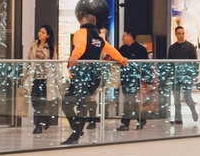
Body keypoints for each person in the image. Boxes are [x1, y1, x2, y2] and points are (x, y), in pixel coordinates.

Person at [62, 8, 128, 144]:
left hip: (81, 75)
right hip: (94, 77)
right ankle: (77, 132)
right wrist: (122, 59)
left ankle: (75, 134)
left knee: (67, 104)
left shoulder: (81, 32)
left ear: (82, 21)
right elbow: (111, 50)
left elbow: (80, 45)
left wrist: (74, 56)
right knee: (82, 105)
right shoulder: (99, 37)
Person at [24, 24, 60, 133]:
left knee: (42, 101)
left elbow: (55, 64)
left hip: (46, 78)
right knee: (34, 101)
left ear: (48, 35)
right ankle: (44, 119)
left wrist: (58, 81)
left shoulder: (51, 48)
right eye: (40, 31)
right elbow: (29, 60)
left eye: (43, 32)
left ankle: (39, 124)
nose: (40, 34)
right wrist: (24, 74)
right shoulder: (34, 44)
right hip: (34, 77)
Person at [115, 30, 152, 131]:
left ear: (130, 37)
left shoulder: (140, 49)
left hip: (135, 78)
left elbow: (146, 65)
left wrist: (148, 79)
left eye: (124, 36)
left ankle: (125, 123)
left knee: (128, 99)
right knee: (130, 99)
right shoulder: (122, 49)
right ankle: (141, 118)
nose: (122, 38)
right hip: (124, 77)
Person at [165, 24, 200, 125]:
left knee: (187, 96)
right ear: (176, 35)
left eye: (182, 33)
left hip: (187, 75)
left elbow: (194, 61)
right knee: (176, 99)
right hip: (176, 76)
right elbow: (170, 62)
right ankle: (178, 118)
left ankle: (193, 110)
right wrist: (170, 75)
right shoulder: (172, 48)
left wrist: (194, 74)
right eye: (179, 33)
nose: (181, 35)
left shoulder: (190, 47)